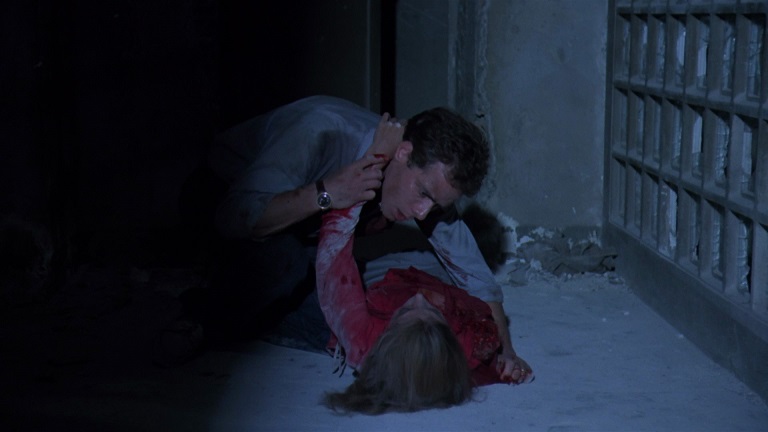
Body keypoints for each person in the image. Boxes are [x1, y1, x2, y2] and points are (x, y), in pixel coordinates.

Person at [181, 95, 531, 383]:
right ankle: (199, 317)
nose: (423, 212)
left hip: (302, 232)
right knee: (289, 266)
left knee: (410, 294)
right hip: (222, 208)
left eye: (435, 204)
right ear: (403, 153)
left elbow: (473, 274)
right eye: (423, 194)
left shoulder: (427, 181)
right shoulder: (320, 132)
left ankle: (259, 304)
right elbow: (232, 217)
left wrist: (505, 353)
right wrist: (327, 194)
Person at [316, 203, 532, 414]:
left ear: (388, 335)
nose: (419, 298)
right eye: (433, 311)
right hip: (444, 269)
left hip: (384, 261)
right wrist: (506, 357)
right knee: (482, 238)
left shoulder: (362, 339)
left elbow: (335, 254)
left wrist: (348, 200)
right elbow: (498, 358)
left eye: (405, 311)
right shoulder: (467, 344)